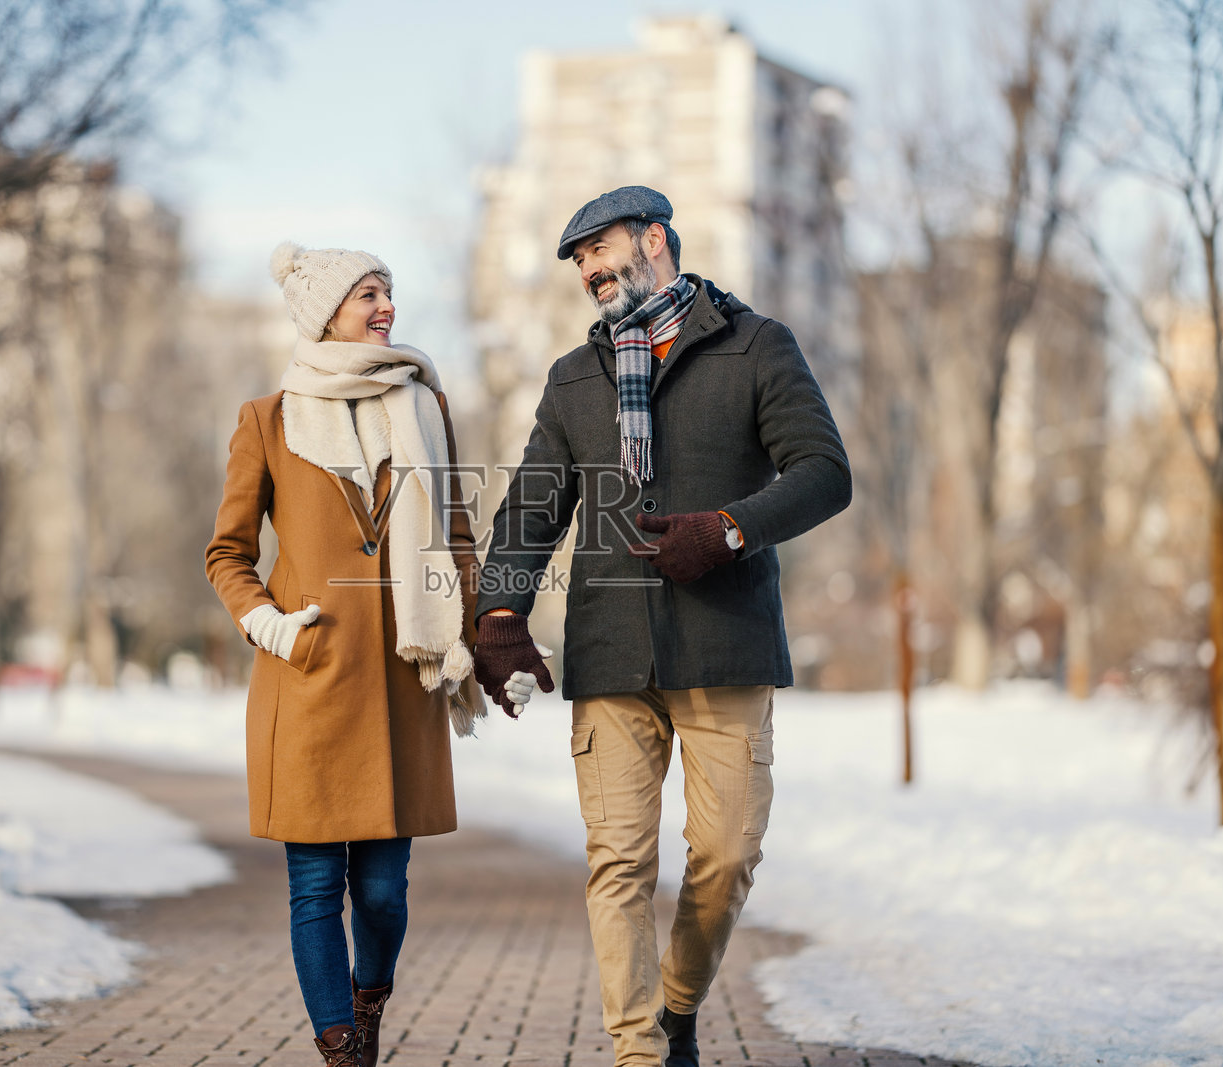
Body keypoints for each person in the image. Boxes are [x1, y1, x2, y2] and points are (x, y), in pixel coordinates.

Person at [473, 187, 851, 1067]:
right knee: (618, 864)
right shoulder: (575, 376)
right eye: (578, 261)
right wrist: (499, 611)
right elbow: (533, 505)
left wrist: (725, 529)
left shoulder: (756, 345)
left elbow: (824, 471)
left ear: (653, 240)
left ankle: (676, 1003)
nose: (589, 271)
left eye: (599, 249)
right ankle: (639, 1052)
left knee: (726, 854)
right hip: (610, 651)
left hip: (726, 642)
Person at [205, 242, 485, 1067]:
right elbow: (227, 552)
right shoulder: (267, 419)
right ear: (326, 312)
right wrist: (266, 622)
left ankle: (369, 997)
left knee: (385, 893)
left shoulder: (425, 407)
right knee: (316, 887)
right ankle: (341, 1045)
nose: (385, 305)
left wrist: (481, 633)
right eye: (368, 293)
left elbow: (455, 535)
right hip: (312, 682)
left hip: (401, 681)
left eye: (388, 290)